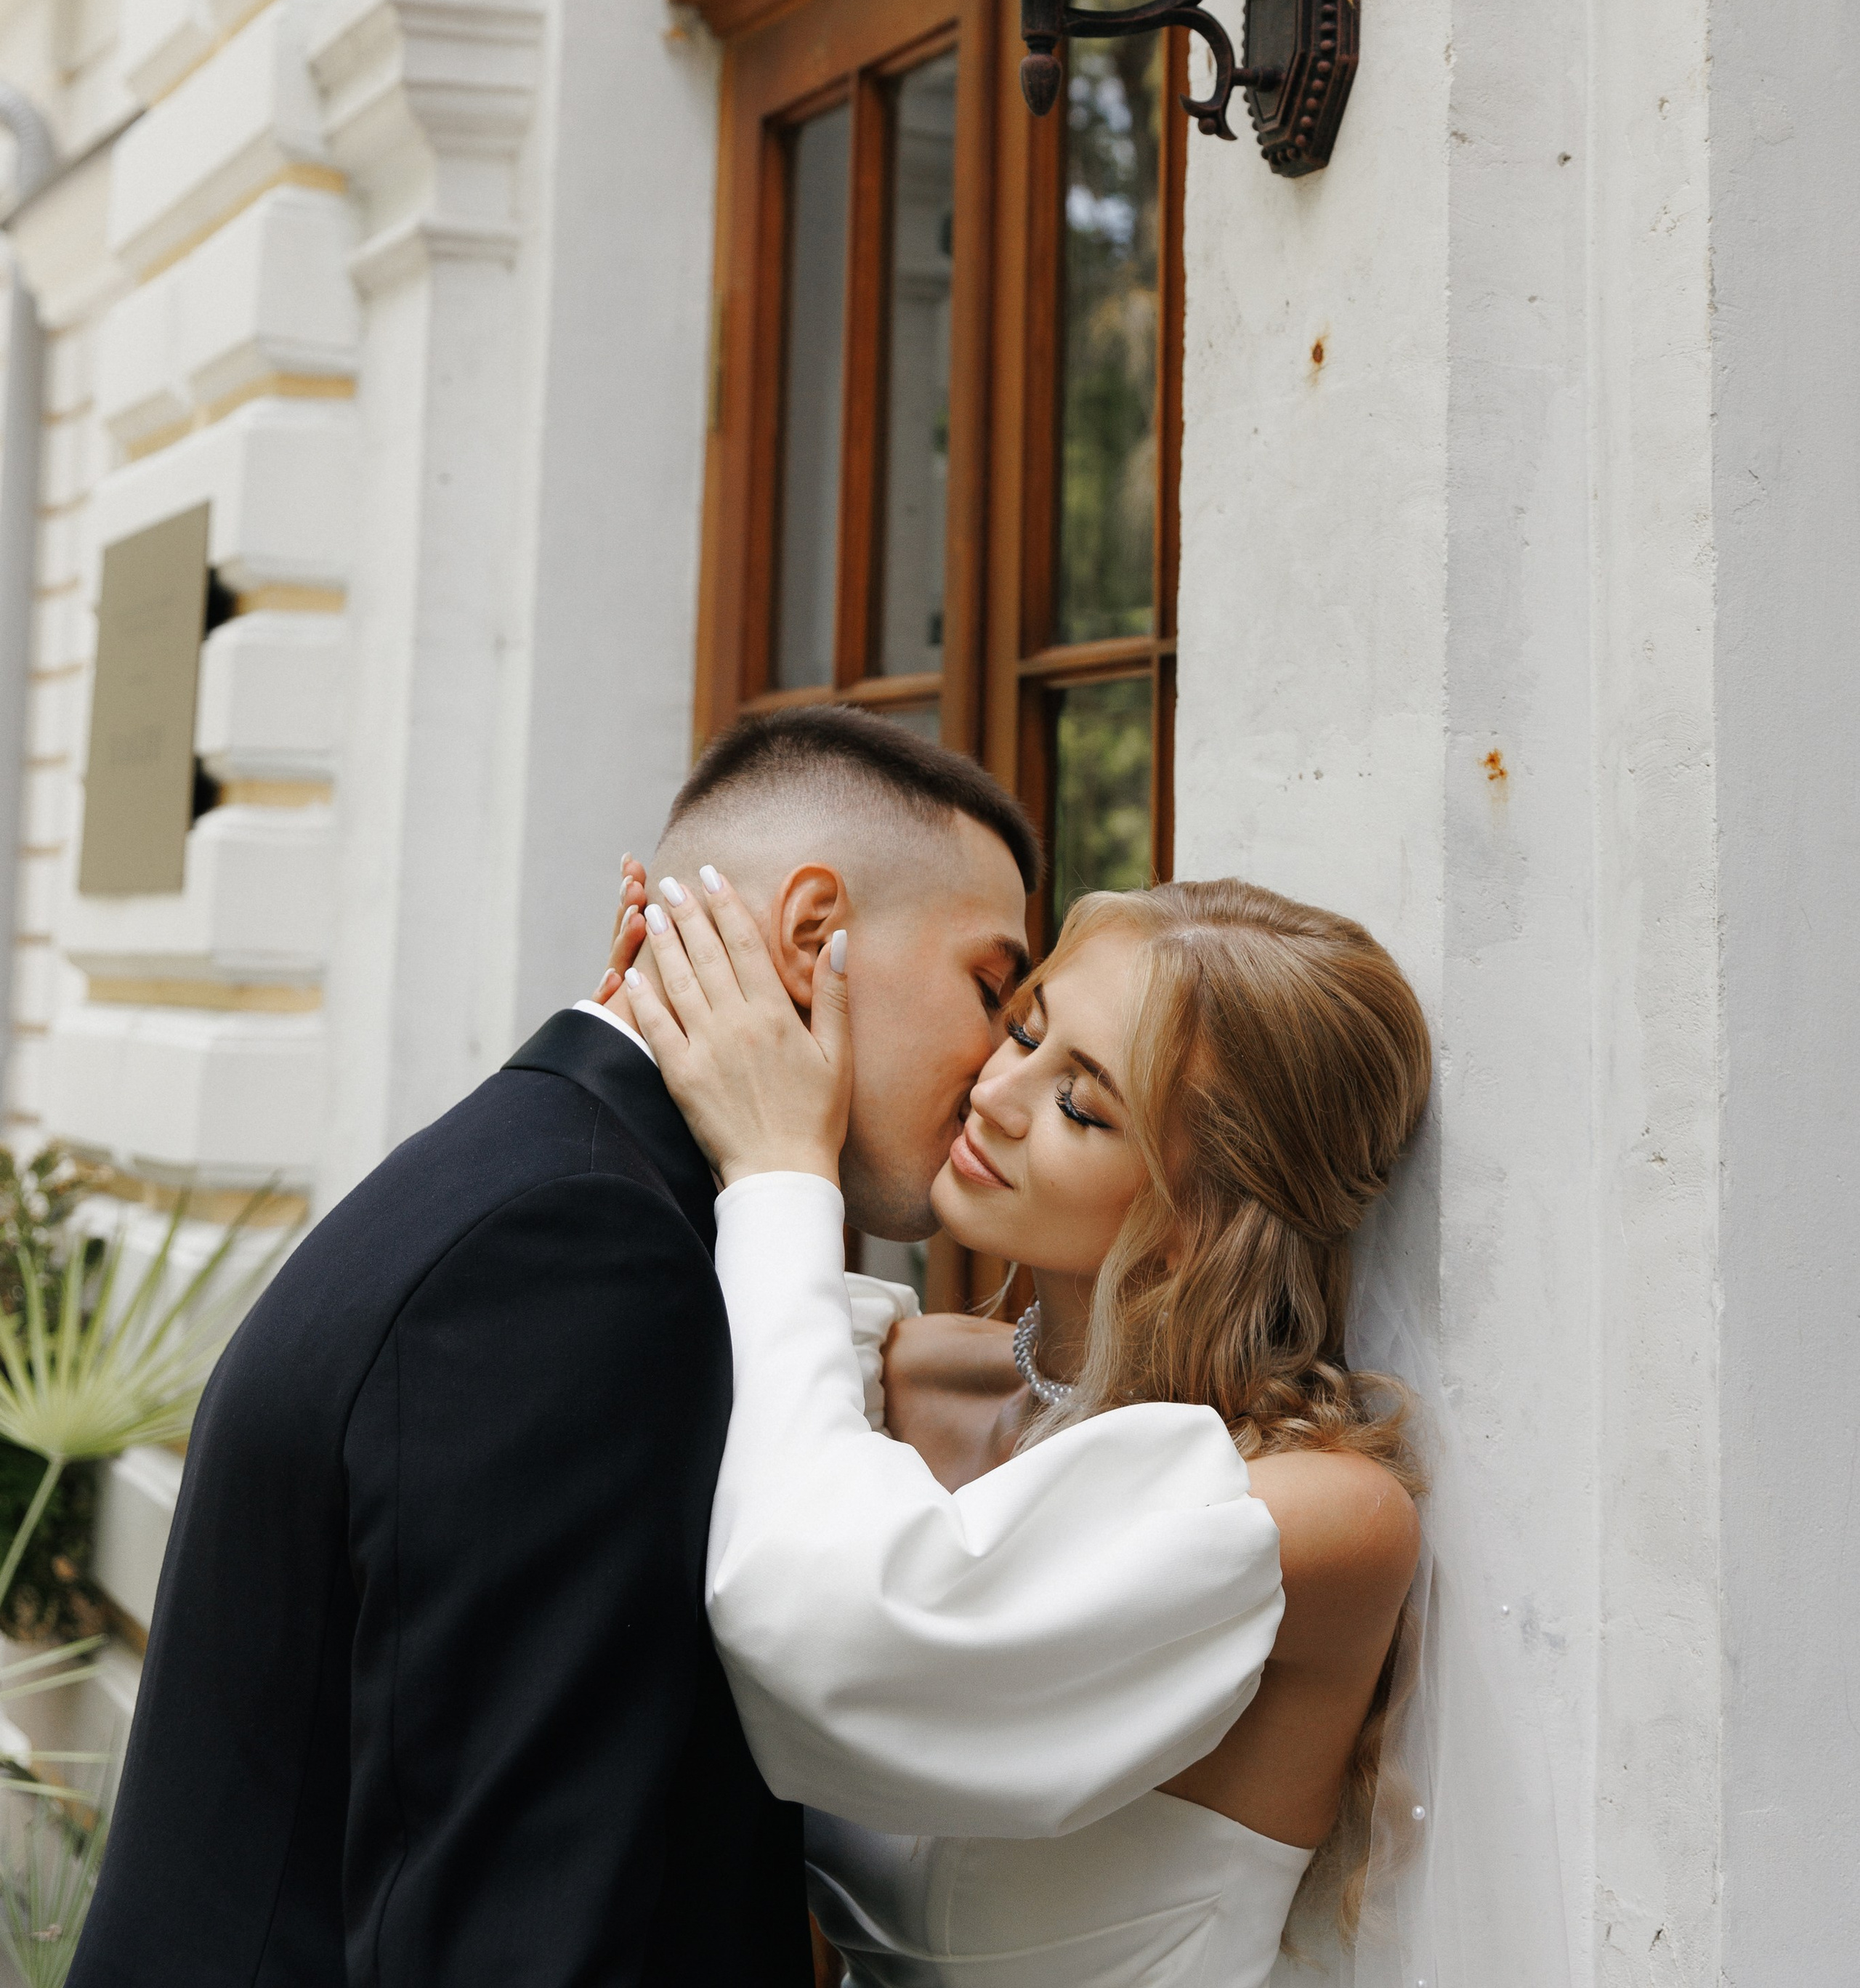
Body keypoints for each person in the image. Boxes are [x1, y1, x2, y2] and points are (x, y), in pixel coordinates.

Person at [69, 708, 1042, 1987]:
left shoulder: (547, 1174)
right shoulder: (577, 1252)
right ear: (816, 935)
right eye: (992, 990)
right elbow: (517, 1935)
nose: (999, 1070)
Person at [620, 866, 1442, 1988]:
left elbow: (824, 1624)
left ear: (1206, 1220)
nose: (997, 1093)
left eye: (1080, 1105)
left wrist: (782, 1172)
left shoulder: (1317, 1520)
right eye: (1021, 1029)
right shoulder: (889, 1378)